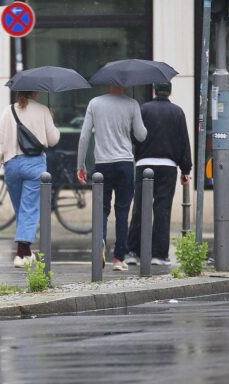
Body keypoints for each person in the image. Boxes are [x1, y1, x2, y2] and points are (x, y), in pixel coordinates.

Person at [77, 87, 147, 271]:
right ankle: (118, 258)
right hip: (124, 163)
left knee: (102, 209)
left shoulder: (95, 103)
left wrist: (81, 165)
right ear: (125, 84)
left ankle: (100, 240)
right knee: (122, 212)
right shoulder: (132, 104)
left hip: (102, 164)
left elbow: (84, 136)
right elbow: (141, 135)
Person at [125, 82, 192, 266]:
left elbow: (134, 135)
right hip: (168, 166)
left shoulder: (143, 109)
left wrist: (137, 154)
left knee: (139, 208)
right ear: (170, 91)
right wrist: (185, 169)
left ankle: (132, 251)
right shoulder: (177, 112)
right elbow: (183, 142)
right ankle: (159, 254)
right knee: (162, 210)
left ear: (154, 90)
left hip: (144, 164)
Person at [0, 91, 60, 268]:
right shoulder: (43, 110)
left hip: (12, 164)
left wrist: (1, 163)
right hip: (34, 164)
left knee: (21, 209)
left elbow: (1, 142)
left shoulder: (8, 111)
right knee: (29, 208)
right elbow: (53, 139)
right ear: (36, 92)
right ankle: (20, 253)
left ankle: (26, 253)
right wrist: (51, 119)